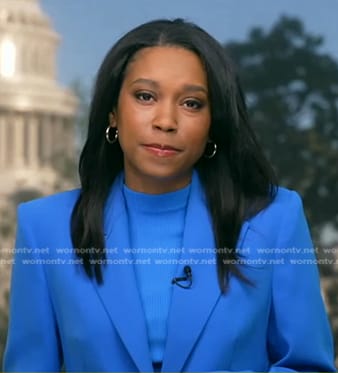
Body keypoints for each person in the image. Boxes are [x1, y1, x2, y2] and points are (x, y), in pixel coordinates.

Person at [3, 18, 336, 372]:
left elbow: (306, 366)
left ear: (214, 123)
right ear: (113, 113)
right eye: (145, 96)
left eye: (192, 103)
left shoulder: (276, 218)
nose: (166, 121)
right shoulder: (44, 229)